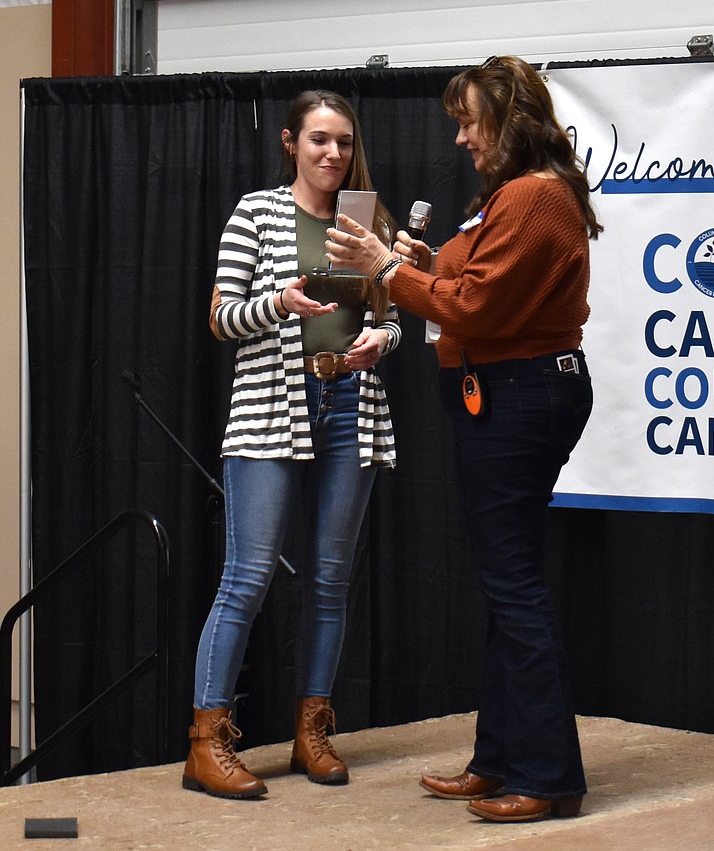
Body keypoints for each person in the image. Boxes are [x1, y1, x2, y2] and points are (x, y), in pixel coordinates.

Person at [327, 55, 601, 823]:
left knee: (513, 586)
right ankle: (501, 759)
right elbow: (462, 273)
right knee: (503, 583)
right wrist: (414, 261)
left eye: (468, 121)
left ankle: (547, 775)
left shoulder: (534, 199)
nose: (459, 138)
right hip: (506, 397)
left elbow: (473, 308)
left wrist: (387, 268)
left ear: (511, 121)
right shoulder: (511, 199)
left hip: (519, 397)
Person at [184, 89, 416, 799]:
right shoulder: (256, 213)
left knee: (330, 581)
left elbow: (398, 313)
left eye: (343, 142)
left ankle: (311, 732)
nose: (333, 154)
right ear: (291, 142)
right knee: (247, 577)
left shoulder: (367, 218)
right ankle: (206, 741)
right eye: (319, 140)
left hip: (349, 403)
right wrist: (280, 303)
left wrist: (384, 337)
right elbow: (222, 320)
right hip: (269, 406)